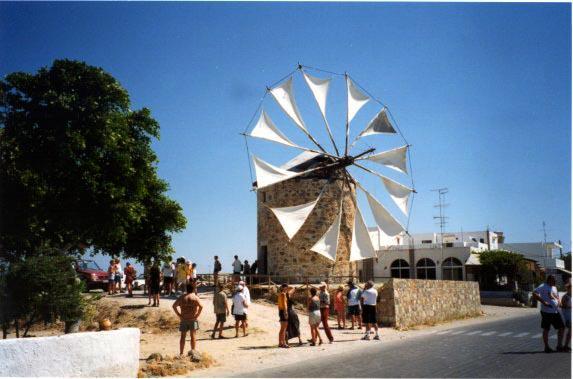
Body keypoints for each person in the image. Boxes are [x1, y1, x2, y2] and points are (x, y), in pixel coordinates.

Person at [533, 275, 565, 352]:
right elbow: (534, 293)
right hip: (546, 312)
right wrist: (544, 302)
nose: (555, 281)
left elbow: (557, 296)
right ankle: (546, 347)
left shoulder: (554, 287)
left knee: (561, 327)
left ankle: (559, 345)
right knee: (546, 329)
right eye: (554, 280)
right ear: (549, 280)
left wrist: (559, 302)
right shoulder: (543, 286)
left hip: (555, 311)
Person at [172, 282, 203, 355]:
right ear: (193, 289)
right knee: (193, 336)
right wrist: (197, 315)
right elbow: (201, 306)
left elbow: (174, 306)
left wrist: (179, 315)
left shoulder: (182, 297)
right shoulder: (195, 297)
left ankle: (181, 353)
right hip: (193, 319)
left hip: (184, 319)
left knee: (183, 336)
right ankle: (193, 352)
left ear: (186, 289)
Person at [560, 281, 571, 352]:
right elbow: (562, 305)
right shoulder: (565, 296)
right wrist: (568, 306)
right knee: (568, 331)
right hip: (567, 316)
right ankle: (563, 345)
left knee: (571, 331)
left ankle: (566, 345)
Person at [277, 284, 289, 348]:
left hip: (280, 311)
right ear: (284, 288)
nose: (287, 289)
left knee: (282, 328)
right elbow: (284, 304)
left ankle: (280, 342)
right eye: (286, 288)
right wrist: (286, 312)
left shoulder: (280, 294)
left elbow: (279, 305)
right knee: (284, 328)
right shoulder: (283, 294)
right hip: (283, 311)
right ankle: (284, 343)